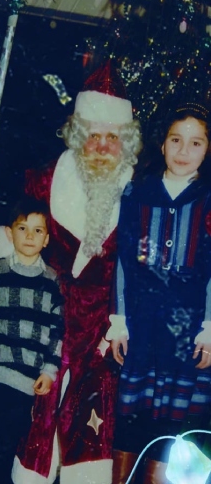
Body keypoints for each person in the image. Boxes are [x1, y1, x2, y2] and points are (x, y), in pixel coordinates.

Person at [0, 60, 143, 484]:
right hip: (46, 314)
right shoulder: (46, 180)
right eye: (94, 136)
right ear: (79, 134)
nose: (102, 146)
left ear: (125, 142)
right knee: (38, 409)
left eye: (113, 138)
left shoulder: (141, 195)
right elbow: (20, 233)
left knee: (92, 415)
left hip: (104, 324)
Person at [108, 101, 211, 484]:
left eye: (196, 143)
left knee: (173, 423)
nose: (184, 151)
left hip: (188, 332)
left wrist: (209, 327)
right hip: (141, 325)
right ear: (163, 144)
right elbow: (122, 260)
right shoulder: (137, 193)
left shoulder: (207, 198)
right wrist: (118, 320)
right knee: (131, 414)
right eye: (176, 140)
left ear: (208, 149)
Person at [0, 198, 63, 483]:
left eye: (38, 230)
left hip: (25, 386)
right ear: (9, 233)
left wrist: (49, 371)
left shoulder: (52, 283)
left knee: (7, 452)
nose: (29, 236)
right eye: (22, 228)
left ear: (46, 239)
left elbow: (57, 332)